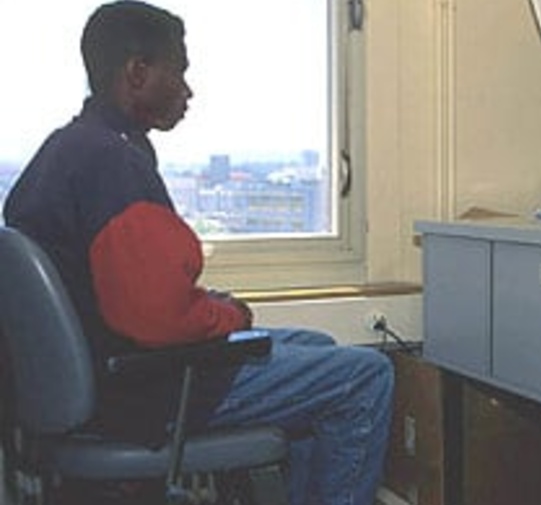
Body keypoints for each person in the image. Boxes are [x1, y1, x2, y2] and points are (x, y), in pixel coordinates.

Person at [2, 2, 394, 504]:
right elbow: (157, 318)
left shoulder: (67, 150)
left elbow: (120, 287)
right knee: (366, 375)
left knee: (316, 344)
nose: (188, 90)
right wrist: (230, 314)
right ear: (138, 72)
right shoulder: (113, 164)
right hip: (145, 392)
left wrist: (206, 307)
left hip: (104, 376)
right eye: (179, 71)